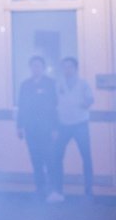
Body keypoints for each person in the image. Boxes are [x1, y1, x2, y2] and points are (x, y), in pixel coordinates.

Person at [16, 55, 58, 199]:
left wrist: (55, 128)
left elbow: (54, 107)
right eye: (33, 66)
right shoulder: (25, 84)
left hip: (47, 128)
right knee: (35, 159)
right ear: (30, 68)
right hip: (30, 128)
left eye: (38, 66)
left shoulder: (51, 83)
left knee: (49, 159)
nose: (36, 68)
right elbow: (21, 106)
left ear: (43, 68)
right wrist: (19, 126)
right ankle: (39, 188)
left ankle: (53, 189)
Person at [53, 56, 94, 200]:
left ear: (75, 68)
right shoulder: (58, 84)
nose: (67, 69)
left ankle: (88, 192)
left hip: (80, 124)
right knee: (57, 157)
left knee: (86, 157)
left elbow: (90, 99)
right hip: (63, 125)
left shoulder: (83, 84)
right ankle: (58, 191)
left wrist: (84, 103)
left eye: (70, 66)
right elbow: (54, 103)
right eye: (65, 67)